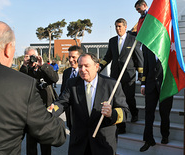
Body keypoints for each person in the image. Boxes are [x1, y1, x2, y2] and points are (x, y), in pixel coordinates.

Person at [0, 20, 66, 154]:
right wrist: (55, 120)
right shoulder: (21, 83)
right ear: (8, 49)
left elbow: (54, 78)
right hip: (34, 114)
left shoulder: (34, 73)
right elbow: (55, 135)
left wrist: (42, 65)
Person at [49, 53, 129, 155]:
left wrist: (111, 113)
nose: (82, 69)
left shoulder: (111, 84)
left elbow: (125, 112)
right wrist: (50, 111)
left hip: (103, 143)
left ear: (96, 67)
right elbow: (61, 103)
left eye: (86, 66)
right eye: (80, 66)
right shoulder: (72, 83)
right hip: (79, 144)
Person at [135, 0, 173, 152]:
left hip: (165, 85)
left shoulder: (169, 47)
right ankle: (148, 139)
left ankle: (165, 135)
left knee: (165, 113)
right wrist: (143, 84)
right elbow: (145, 67)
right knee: (148, 114)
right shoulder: (148, 48)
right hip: (150, 84)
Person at [100, 18, 144, 134]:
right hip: (115, 75)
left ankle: (134, 113)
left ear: (125, 26)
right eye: (116, 26)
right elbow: (108, 57)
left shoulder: (133, 40)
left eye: (120, 26)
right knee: (117, 101)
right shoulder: (112, 41)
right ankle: (121, 126)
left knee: (129, 98)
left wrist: (141, 74)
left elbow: (139, 58)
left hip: (128, 75)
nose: (117, 29)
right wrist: (99, 67)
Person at [20, 47, 59, 155]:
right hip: (30, 111)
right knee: (31, 145)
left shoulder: (43, 69)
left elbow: (55, 79)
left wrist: (43, 65)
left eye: (33, 56)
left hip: (45, 110)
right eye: (28, 56)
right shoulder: (26, 70)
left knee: (46, 143)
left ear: (37, 56)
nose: (31, 59)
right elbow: (20, 82)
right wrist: (24, 65)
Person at [60, 45, 84, 130]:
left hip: (81, 115)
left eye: (73, 57)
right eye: (69, 57)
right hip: (69, 113)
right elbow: (62, 92)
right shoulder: (66, 72)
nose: (70, 60)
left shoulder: (85, 72)